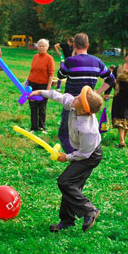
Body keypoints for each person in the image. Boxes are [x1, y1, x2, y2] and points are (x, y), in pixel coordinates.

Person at [29, 86, 104, 233]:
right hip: (82, 152)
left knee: (65, 182)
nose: (74, 98)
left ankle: (89, 210)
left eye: (79, 99)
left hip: (90, 156)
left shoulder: (88, 130)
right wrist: (40, 92)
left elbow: (84, 154)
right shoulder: (74, 104)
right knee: (71, 186)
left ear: (83, 110)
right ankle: (67, 221)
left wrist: (66, 157)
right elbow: (59, 96)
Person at [56, 33, 115, 153]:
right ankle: (83, 156)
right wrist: (97, 93)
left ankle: (75, 160)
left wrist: (72, 56)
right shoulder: (97, 62)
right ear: (87, 45)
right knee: (84, 133)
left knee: (65, 135)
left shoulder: (70, 61)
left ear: (73, 45)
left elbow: (60, 75)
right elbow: (111, 78)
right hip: (88, 104)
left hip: (73, 103)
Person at [27, 39, 54, 133]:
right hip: (32, 84)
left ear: (47, 47)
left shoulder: (49, 58)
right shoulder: (35, 57)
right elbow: (32, 70)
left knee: (42, 107)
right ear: (37, 47)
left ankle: (42, 127)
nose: (41, 47)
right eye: (40, 46)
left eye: (44, 46)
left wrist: (48, 88)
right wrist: (27, 82)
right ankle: (33, 127)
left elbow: (51, 74)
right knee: (33, 107)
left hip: (43, 85)